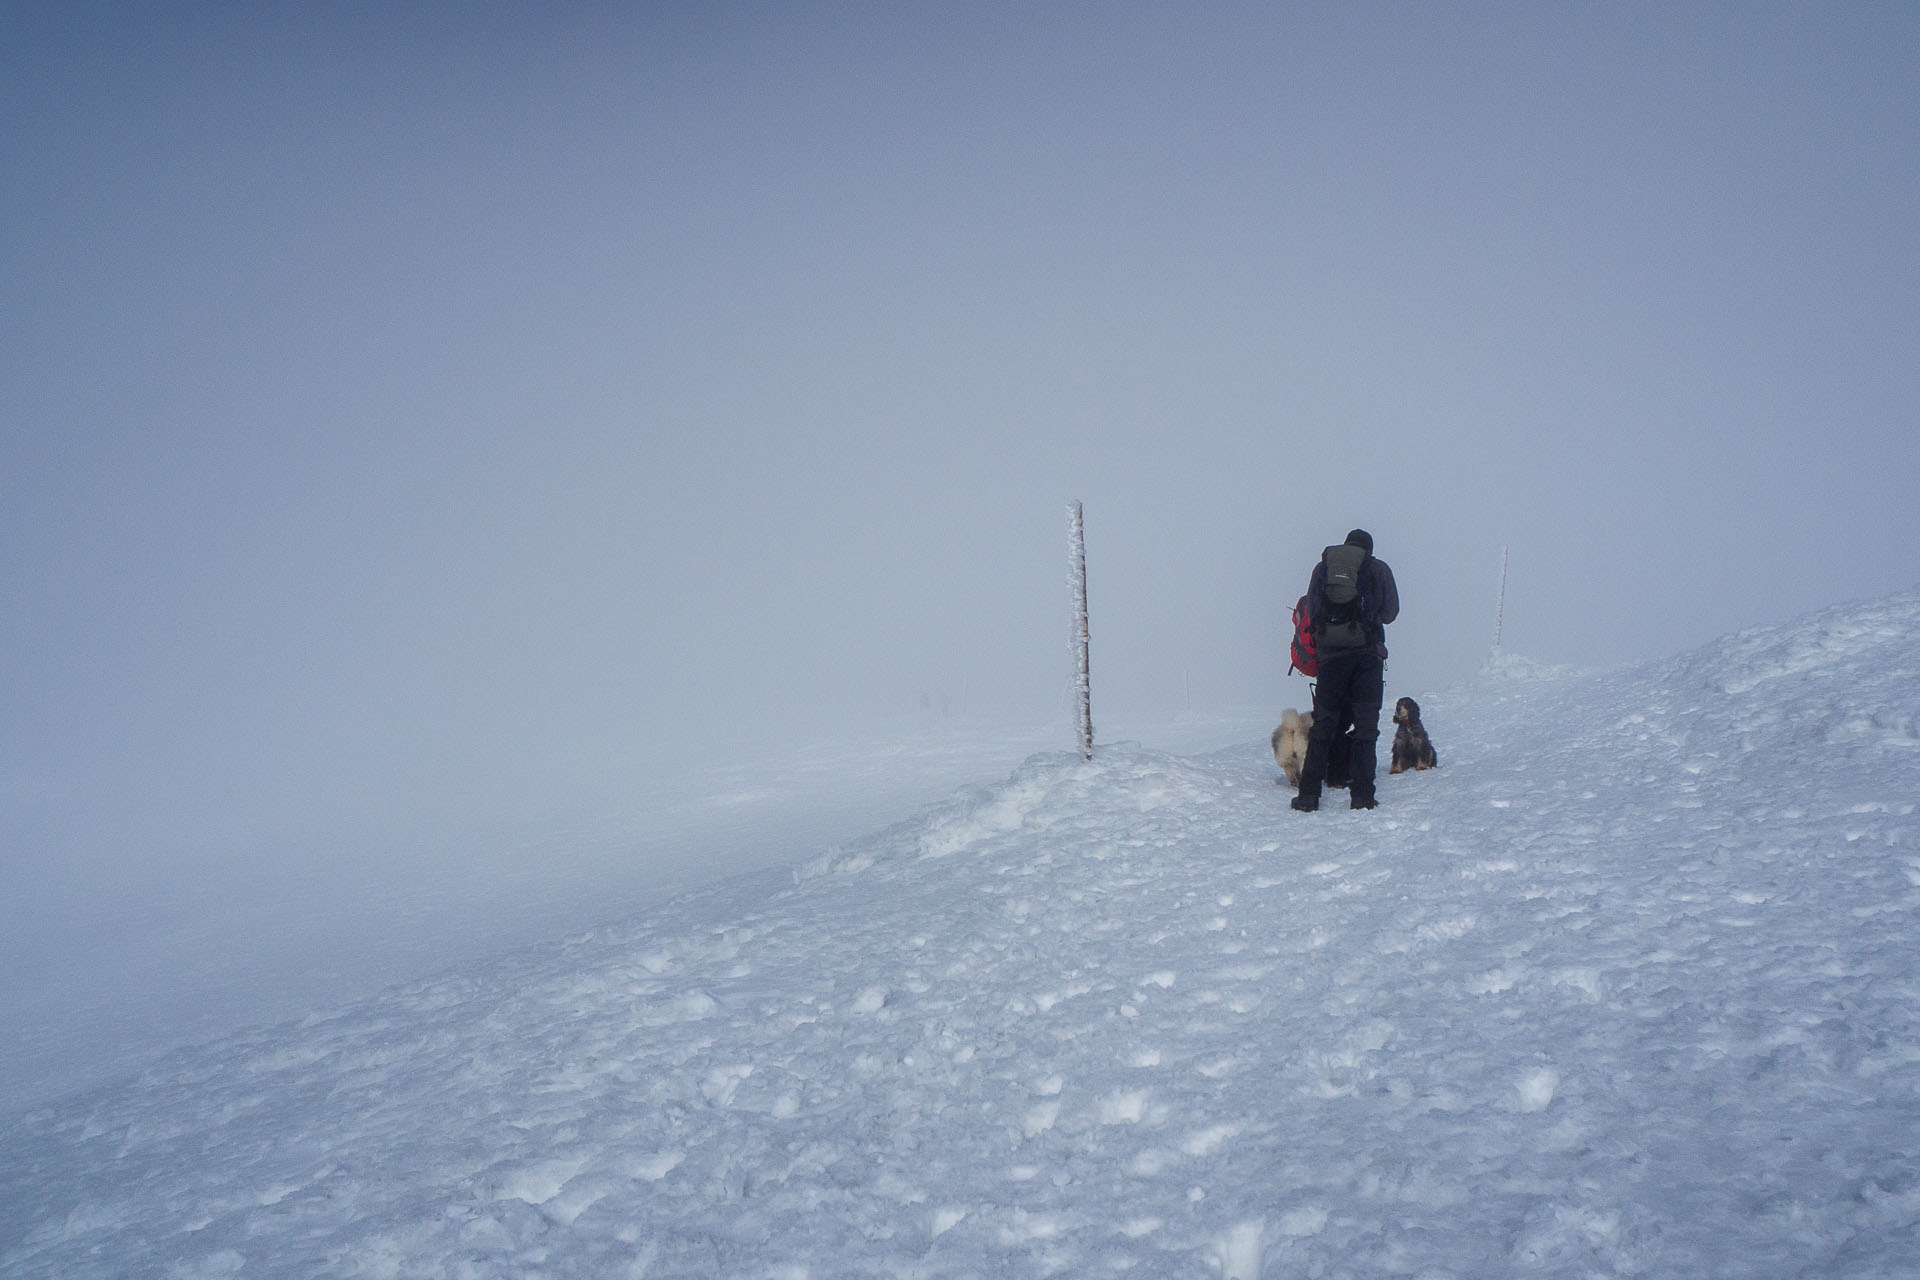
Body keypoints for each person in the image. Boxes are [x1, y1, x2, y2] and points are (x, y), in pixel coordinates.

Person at [1292, 529, 1399, 812]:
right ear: (1368, 550)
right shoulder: (1378, 569)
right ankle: (1362, 796)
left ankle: (1308, 797)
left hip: (1331, 660)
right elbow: (1390, 613)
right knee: (1366, 727)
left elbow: (1312, 608)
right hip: (1367, 658)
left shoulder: (1323, 567)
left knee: (1323, 725)